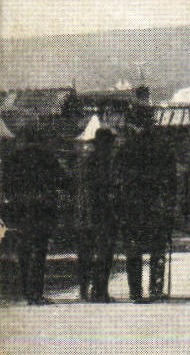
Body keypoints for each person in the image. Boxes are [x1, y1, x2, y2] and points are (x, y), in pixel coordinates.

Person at [1, 125, 71, 305]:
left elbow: (5, 183)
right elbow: (62, 179)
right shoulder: (47, 156)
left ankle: (26, 291)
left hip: (20, 207)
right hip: (42, 206)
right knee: (39, 249)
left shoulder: (14, 157)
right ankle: (37, 292)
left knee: (23, 248)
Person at [116, 117, 178, 302]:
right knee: (158, 247)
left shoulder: (125, 149)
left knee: (133, 249)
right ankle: (156, 289)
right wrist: (171, 203)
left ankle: (135, 291)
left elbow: (117, 177)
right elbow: (172, 179)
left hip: (132, 205)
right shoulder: (162, 148)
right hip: (155, 204)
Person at [78, 127, 119, 301]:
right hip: (102, 212)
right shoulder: (107, 163)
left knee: (86, 253)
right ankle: (100, 290)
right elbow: (108, 187)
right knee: (104, 252)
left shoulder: (85, 161)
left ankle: (85, 288)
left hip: (84, 214)